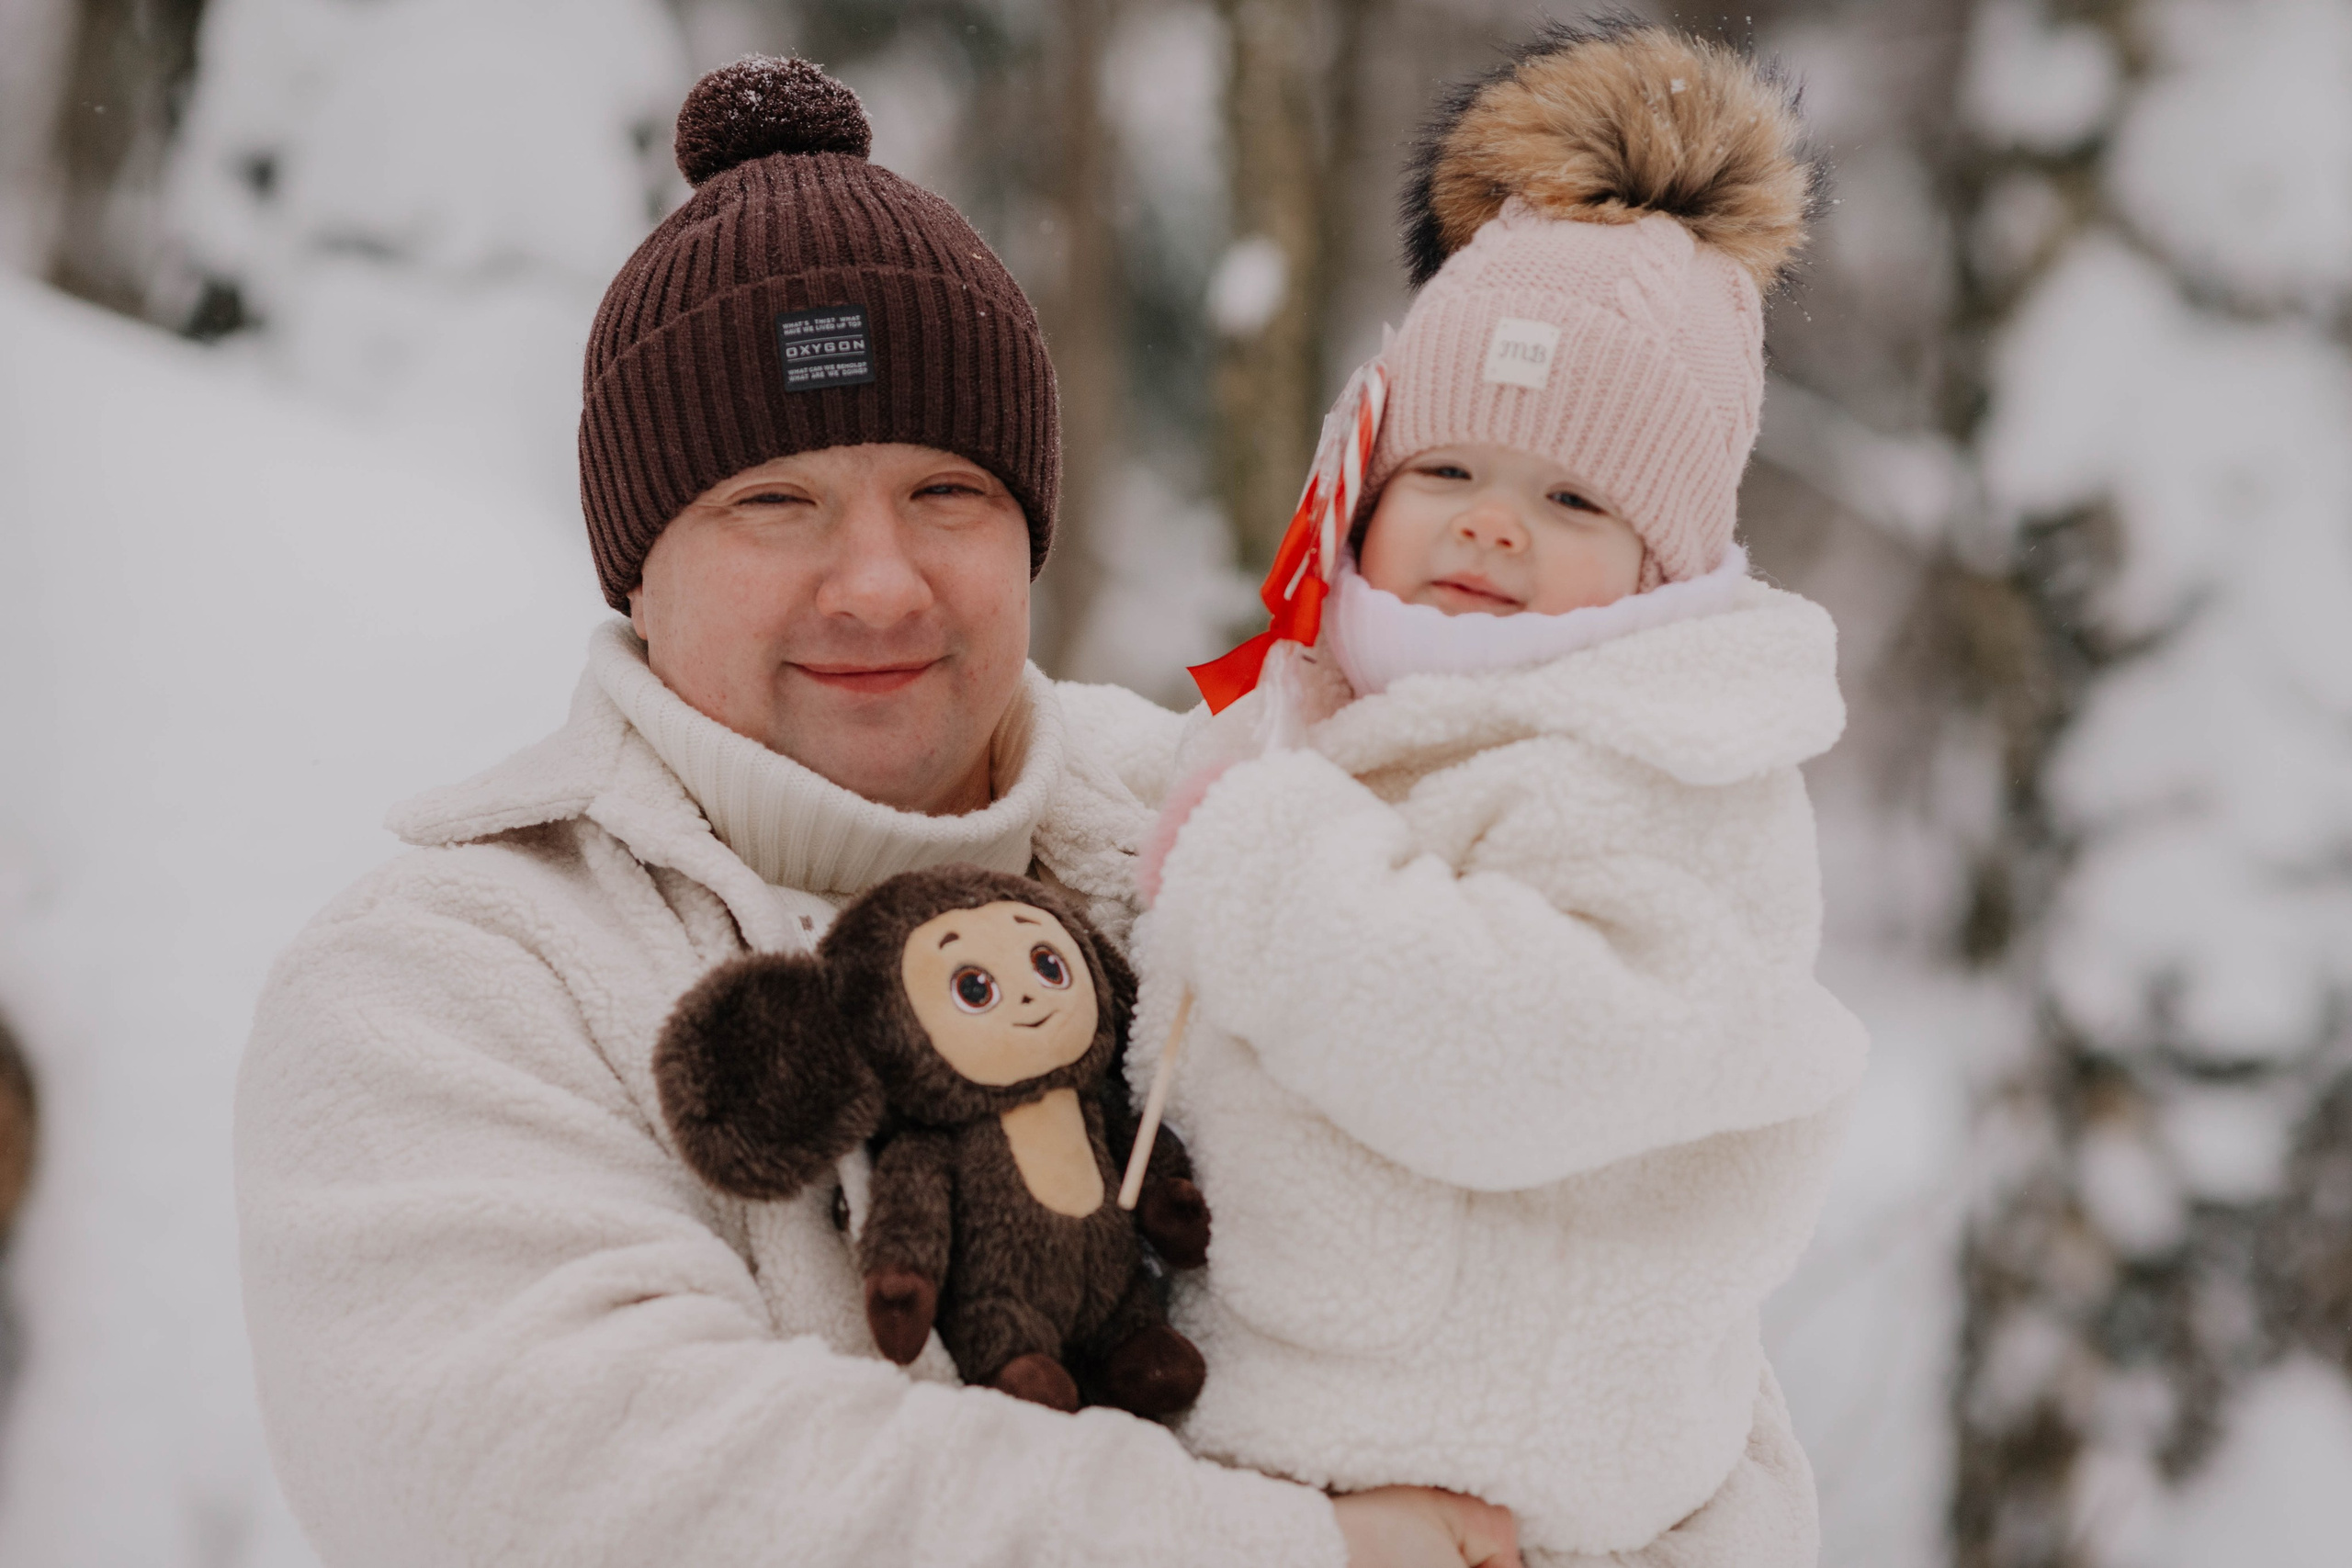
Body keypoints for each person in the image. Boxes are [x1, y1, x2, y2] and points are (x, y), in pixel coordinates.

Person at [234, 55, 1521, 1568]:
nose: (878, 585)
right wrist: (1301, 1552)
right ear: (638, 570)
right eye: (773, 501)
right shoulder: (446, 975)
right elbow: (569, 1488)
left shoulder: (1237, 841)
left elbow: (1615, 1329)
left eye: (945, 493)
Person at [1124, 24, 1867, 1567]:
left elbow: (1521, 1048)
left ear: (1665, 568)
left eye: (1572, 498)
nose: (1492, 528)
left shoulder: (1664, 764)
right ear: (1364, 482)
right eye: (1448, 473)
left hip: (1482, 1476)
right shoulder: (1324, 707)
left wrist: (1261, 865)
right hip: (1281, 1467)